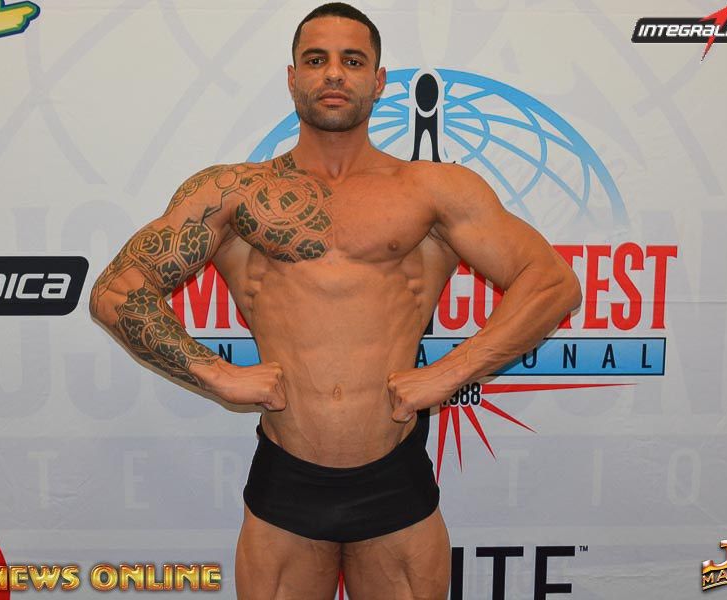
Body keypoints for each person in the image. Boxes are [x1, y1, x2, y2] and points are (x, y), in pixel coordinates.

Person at [90, 3, 582, 598]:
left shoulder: (432, 189)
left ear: (378, 80)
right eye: (315, 59)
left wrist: (451, 372)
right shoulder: (233, 192)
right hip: (286, 479)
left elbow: (552, 283)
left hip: (395, 476)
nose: (332, 73)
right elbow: (117, 291)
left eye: (352, 61)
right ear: (292, 76)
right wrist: (216, 374)